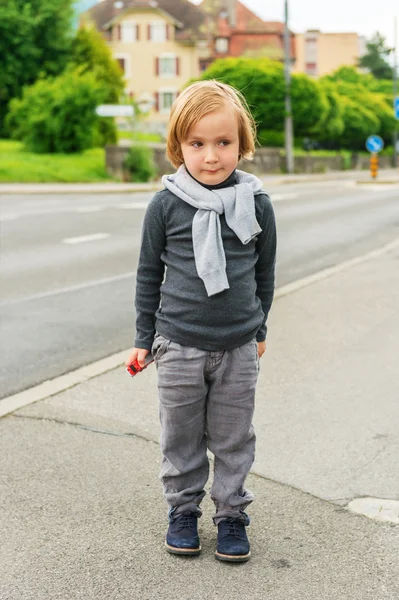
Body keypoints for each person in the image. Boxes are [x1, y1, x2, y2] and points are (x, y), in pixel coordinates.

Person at [125, 80, 276, 563]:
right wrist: (142, 340)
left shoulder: (257, 204)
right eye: (197, 144)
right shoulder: (165, 205)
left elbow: (264, 272)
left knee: (234, 438)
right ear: (178, 147)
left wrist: (260, 330)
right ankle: (182, 511)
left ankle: (231, 514)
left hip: (237, 346)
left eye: (223, 143)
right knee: (181, 436)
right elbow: (150, 273)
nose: (211, 156)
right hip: (178, 344)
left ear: (241, 144)